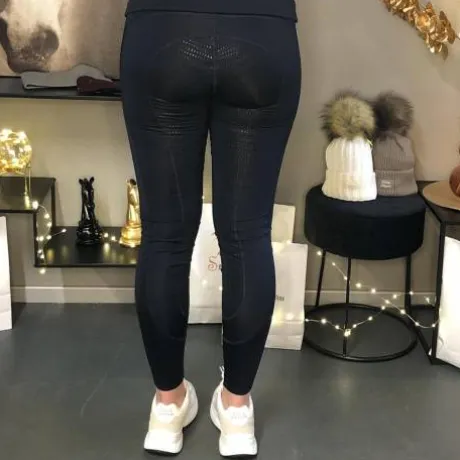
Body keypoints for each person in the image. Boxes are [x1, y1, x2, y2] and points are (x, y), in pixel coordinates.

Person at [120, 0, 301, 456]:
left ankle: (168, 407)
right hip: (263, 34)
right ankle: (237, 413)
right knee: (247, 234)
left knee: (164, 235)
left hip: (162, 28)